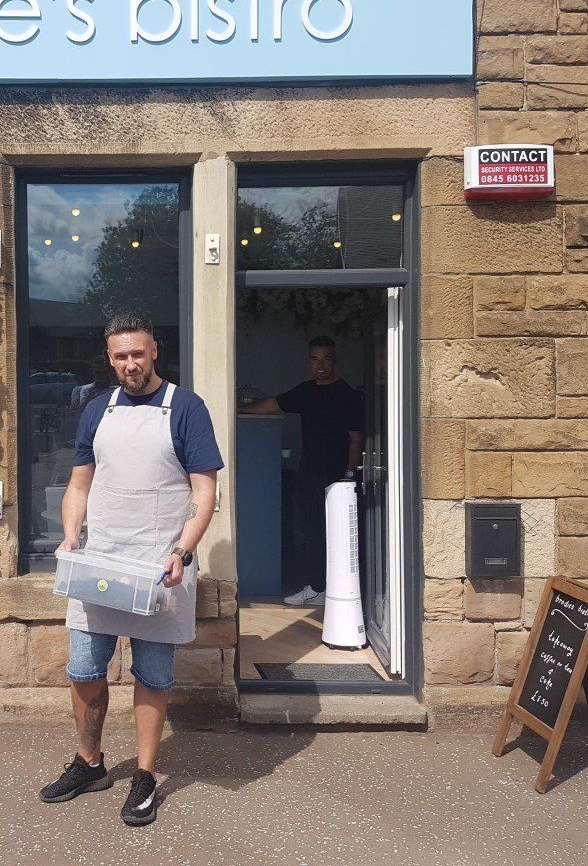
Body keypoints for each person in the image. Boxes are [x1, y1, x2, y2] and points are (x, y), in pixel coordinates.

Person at [40, 313, 223, 827]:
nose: (130, 364)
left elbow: (205, 490)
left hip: (158, 568)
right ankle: (89, 762)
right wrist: (71, 536)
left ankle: (144, 775)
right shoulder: (96, 410)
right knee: (83, 669)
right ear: (110, 358)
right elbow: (79, 484)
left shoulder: (186, 408)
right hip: (100, 563)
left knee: (153, 675)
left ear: (154, 351)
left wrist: (183, 551)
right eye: (120, 356)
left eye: (137, 354)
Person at [238, 334, 362, 606]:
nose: (320, 365)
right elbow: (272, 404)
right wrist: (236, 408)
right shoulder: (306, 391)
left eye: (326, 359)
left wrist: (350, 474)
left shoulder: (347, 395)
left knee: (336, 533)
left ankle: (328, 589)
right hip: (309, 473)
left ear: (334, 361)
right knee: (309, 530)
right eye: (315, 359)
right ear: (309, 362)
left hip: (338, 477)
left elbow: (356, 437)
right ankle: (317, 587)